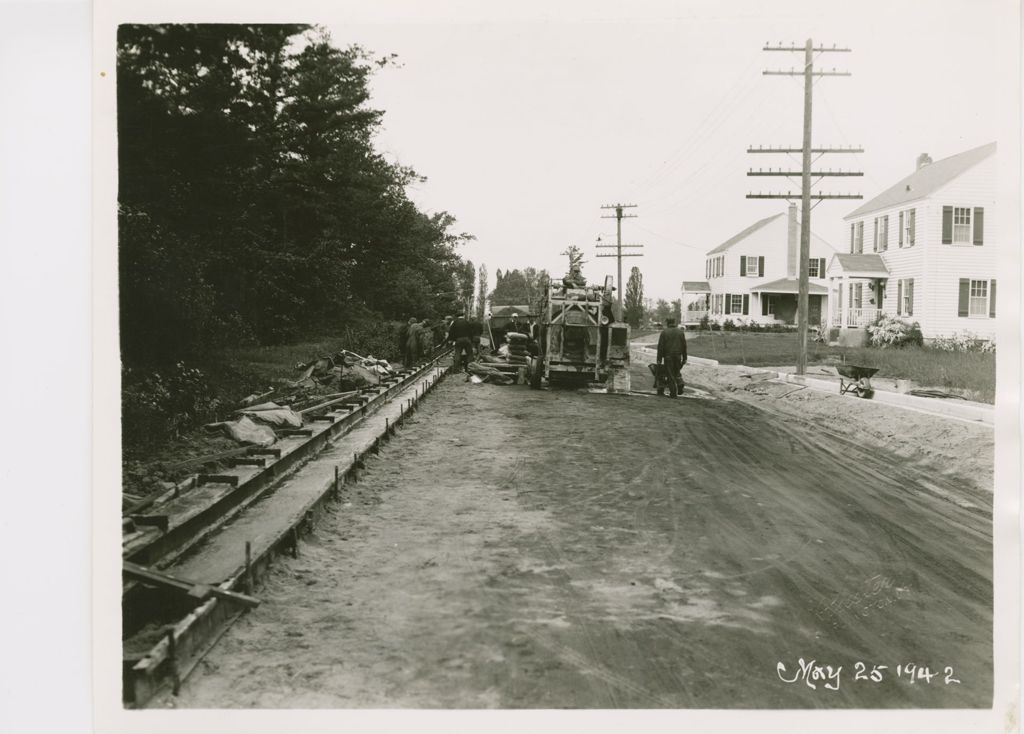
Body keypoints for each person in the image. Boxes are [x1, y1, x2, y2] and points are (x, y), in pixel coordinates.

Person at [656, 318, 687, 398]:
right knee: (677, 372)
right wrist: (684, 358)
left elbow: (660, 347)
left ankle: (673, 394)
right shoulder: (680, 332)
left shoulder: (664, 332)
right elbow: (684, 346)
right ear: (674, 323)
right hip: (678, 356)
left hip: (668, 356)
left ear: (667, 323)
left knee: (670, 375)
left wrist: (659, 359)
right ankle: (680, 384)